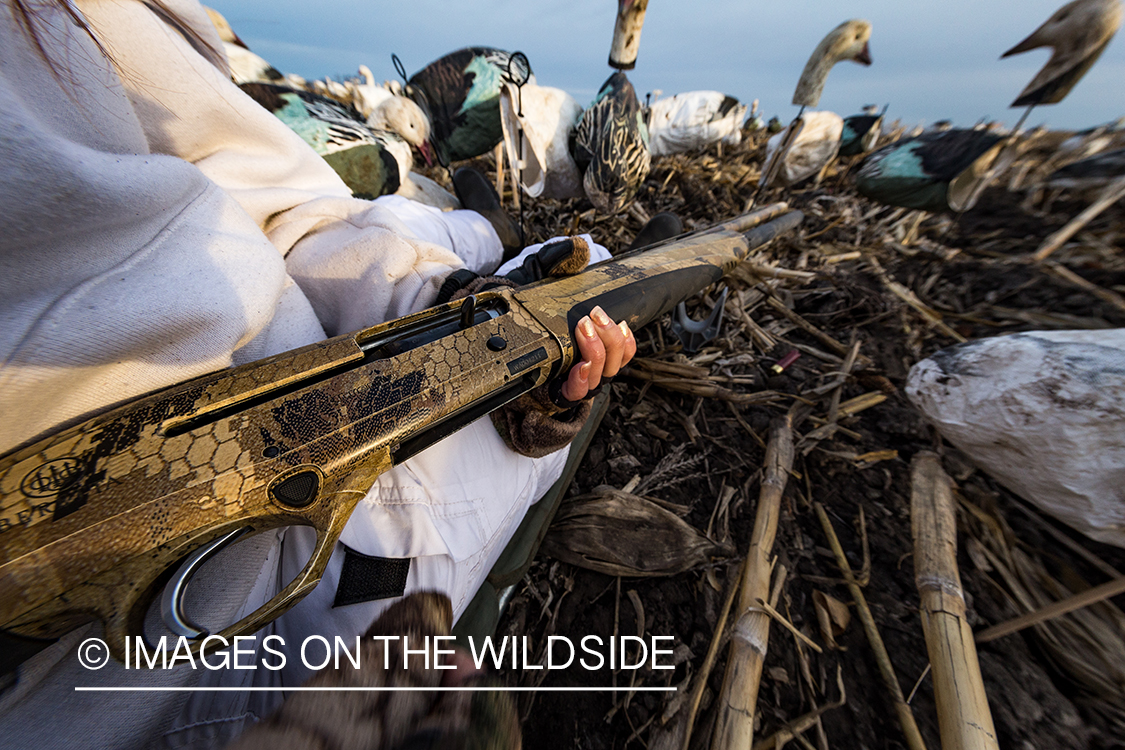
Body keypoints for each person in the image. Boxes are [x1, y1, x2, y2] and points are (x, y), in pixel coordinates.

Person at [0, 0, 638, 747]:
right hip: (192, 668)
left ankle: (492, 236)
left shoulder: (93, 33)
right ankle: (500, 236)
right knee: (585, 277)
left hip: (299, 456)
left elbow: (278, 206)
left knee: (543, 291)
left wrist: (447, 303)